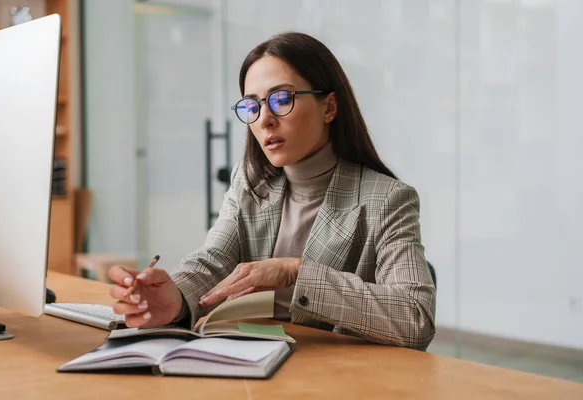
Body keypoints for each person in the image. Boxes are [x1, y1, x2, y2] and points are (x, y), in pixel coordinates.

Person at [108, 32, 436, 350]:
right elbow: (214, 260)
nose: (264, 120)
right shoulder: (249, 180)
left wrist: (295, 273)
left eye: (281, 99)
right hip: (247, 362)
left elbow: (415, 317)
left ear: (329, 107)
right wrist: (176, 301)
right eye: (252, 106)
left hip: (334, 377)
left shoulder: (387, 199)